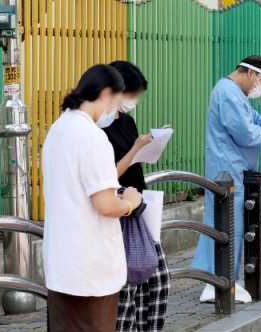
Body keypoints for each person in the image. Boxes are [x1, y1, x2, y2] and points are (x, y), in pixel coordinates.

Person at [42, 64, 144, 330]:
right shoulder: (93, 137)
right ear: (107, 94)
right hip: (90, 269)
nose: (114, 112)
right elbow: (106, 204)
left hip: (61, 265)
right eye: (116, 103)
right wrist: (130, 203)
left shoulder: (58, 128)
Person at [192, 55, 261, 303]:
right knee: (227, 226)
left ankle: (225, 277)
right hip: (227, 170)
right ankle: (219, 280)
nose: (259, 88)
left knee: (231, 225)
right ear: (251, 73)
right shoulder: (228, 92)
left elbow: (252, 118)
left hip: (233, 169)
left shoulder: (233, 92)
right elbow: (245, 132)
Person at [102, 61, 170, 331]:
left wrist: (147, 150)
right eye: (131, 94)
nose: (132, 101)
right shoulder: (97, 128)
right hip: (119, 209)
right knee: (129, 287)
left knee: (158, 280)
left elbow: (132, 163)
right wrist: (135, 150)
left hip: (138, 207)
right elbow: (108, 175)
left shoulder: (126, 121)